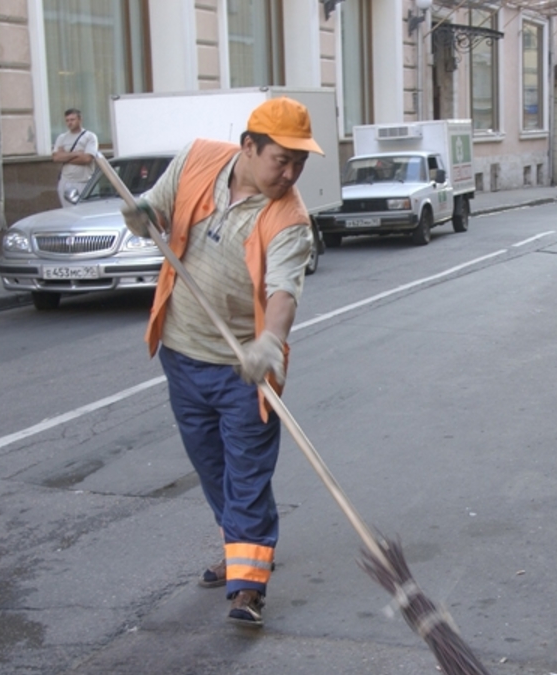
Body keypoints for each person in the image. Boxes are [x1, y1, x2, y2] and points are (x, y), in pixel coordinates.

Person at [120, 97, 321, 628]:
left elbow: (283, 293)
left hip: (243, 370)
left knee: (247, 475)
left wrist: (269, 343)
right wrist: (140, 216)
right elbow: (155, 214)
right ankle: (238, 549)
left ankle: (248, 587)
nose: (291, 172)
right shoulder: (196, 160)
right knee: (213, 469)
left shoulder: (291, 218)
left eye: (300, 162)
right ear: (248, 147)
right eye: (282, 159)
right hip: (182, 356)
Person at [52, 108, 99, 207]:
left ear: (80, 119)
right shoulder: (62, 138)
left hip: (84, 182)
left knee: (85, 210)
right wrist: (76, 154)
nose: (69, 123)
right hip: (66, 181)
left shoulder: (89, 136)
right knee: (68, 212)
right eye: (67, 120)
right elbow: (56, 158)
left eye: (72, 120)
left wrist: (65, 155)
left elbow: (87, 159)